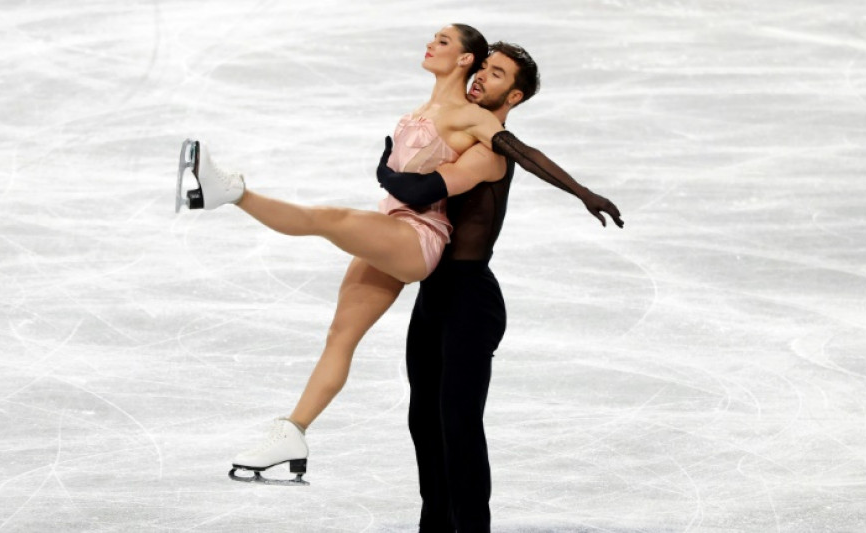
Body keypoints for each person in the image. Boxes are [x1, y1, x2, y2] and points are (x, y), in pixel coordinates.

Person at [174, 24, 622, 485]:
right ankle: (294, 431)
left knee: (331, 220)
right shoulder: (426, 110)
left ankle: (230, 192)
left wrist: (584, 193)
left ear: (467, 61)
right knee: (341, 334)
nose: (434, 47)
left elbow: (522, 153)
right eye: (486, 66)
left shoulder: (477, 122)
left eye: (446, 43)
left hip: (419, 235)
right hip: (393, 227)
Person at [377, 42, 554, 533]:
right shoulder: (458, 134)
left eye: (495, 74)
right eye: (481, 68)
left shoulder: (489, 151)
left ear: (513, 96)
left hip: (470, 300)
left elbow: (416, 190)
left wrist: (384, 167)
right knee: (423, 422)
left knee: (458, 425)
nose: (479, 78)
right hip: (435, 296)